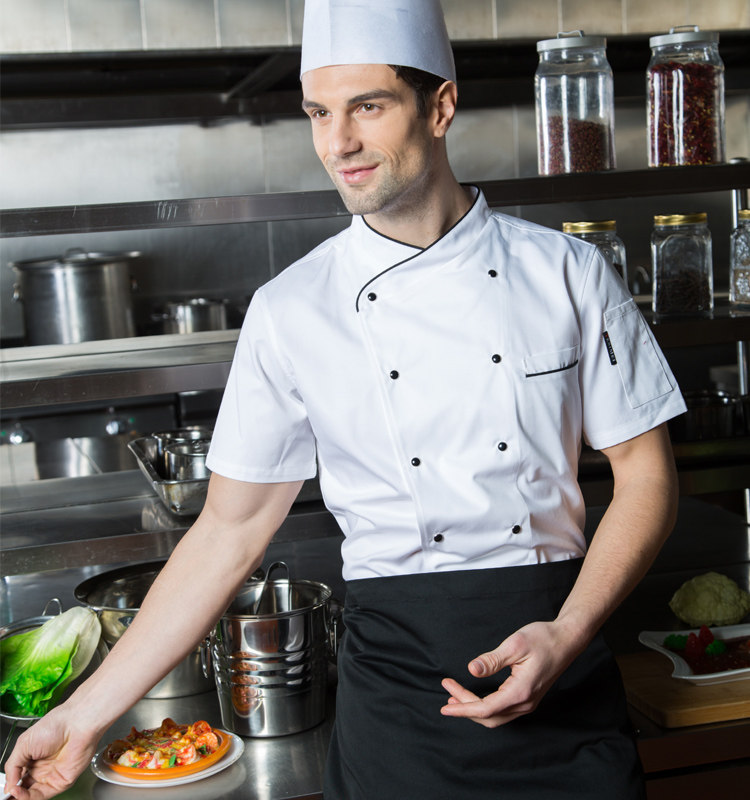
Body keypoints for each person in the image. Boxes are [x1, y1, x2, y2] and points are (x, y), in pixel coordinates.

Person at [4, 1, 686, 798]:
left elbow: (647, 479)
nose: (339, 144)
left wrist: (568, 631)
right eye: (319, 114)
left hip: (565, 684)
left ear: (440, 106)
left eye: (368, 106)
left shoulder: (566, 274)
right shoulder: (292, 310)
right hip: (397, 709)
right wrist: (82, 716)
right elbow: (227, 532)